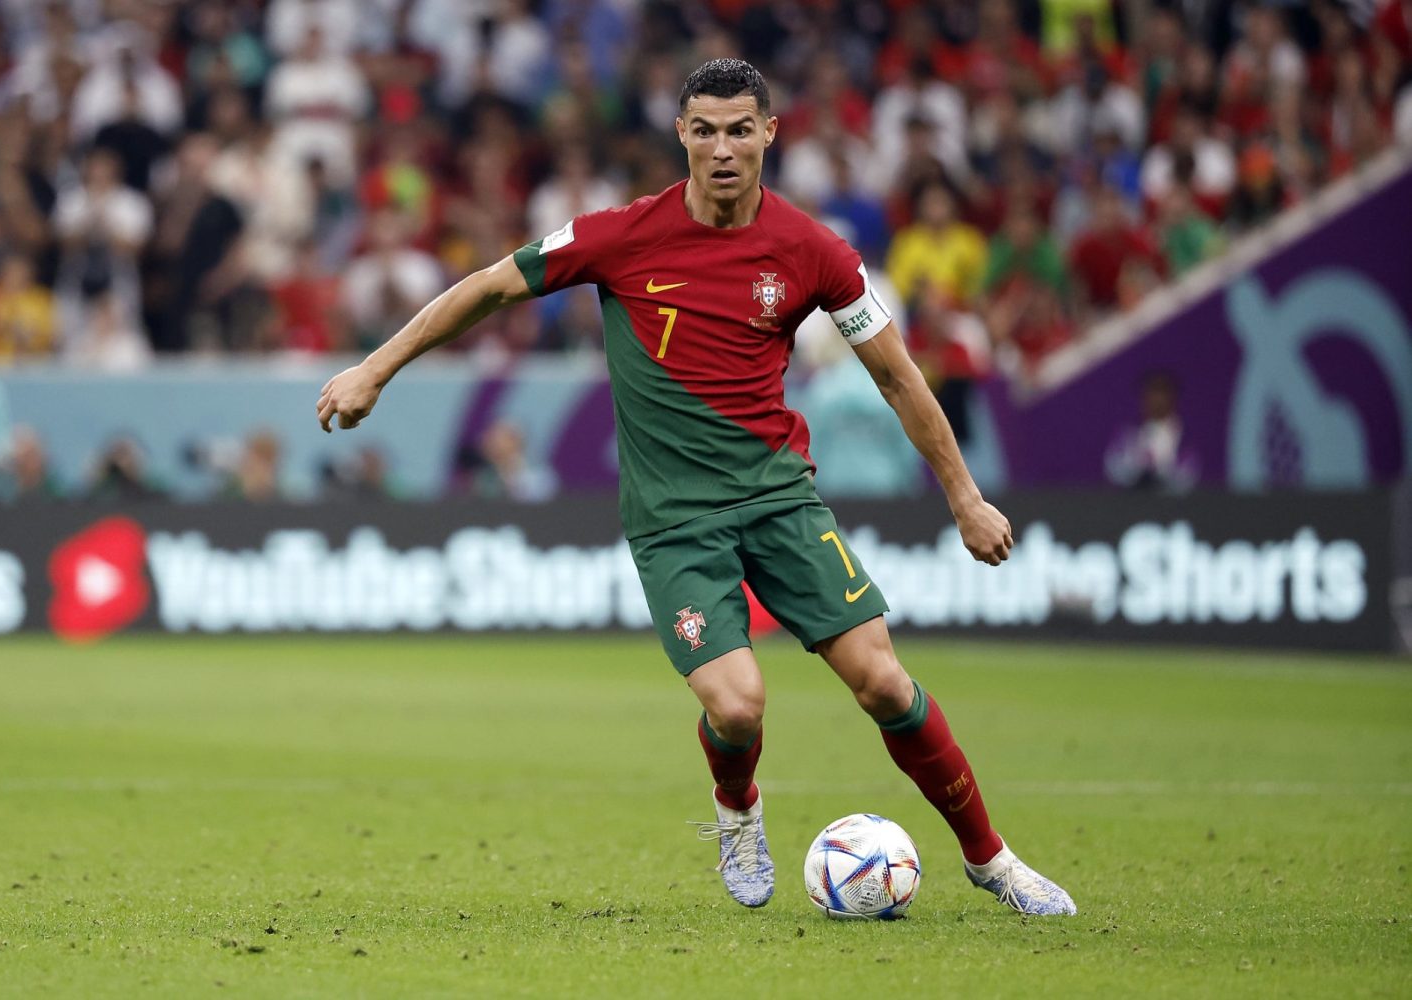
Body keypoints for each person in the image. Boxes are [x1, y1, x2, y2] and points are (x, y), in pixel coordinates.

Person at [315, 59, 1075, 917]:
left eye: (739, 130)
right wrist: (373, 370)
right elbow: (490, 286)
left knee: (885, 684)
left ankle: (992, 861)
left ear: (768, 134)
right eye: (704, 130)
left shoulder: (814, 251)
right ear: (681, 134)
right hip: (675, 522)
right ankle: (738, 810)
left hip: (781, 499)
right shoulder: (620, 234)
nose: (721, 149)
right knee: (739, 707)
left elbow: (899, 378)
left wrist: (965, 499)